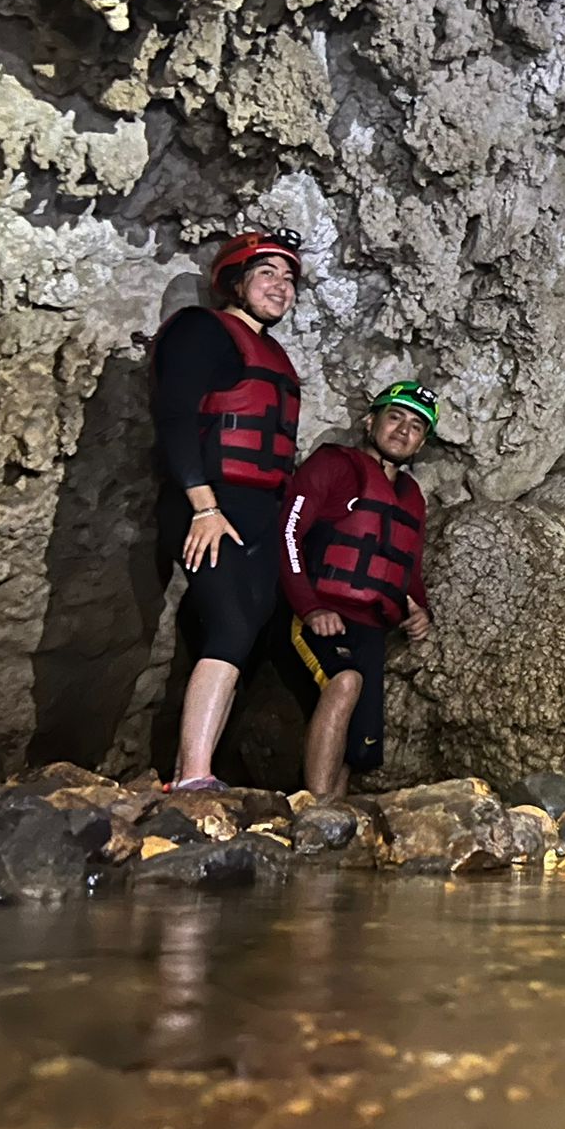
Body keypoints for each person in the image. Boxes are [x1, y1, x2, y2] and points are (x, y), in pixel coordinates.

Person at [151, 229, 304, 792]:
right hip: (211, 502)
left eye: (289, 279)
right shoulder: (203, 330)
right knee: (231, 624)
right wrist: (202, 506)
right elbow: (175, 419)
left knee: (245, 634)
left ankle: (190, 768)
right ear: (235, 280)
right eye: (268, 273)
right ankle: (194, 777)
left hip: (260, 507)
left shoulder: (276, 356)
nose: (282, 286)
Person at [279, 381, 438, 799]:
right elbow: (288, 532)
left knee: (360, 739)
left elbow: (407, 566)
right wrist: (310, 607)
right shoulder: (334, 465)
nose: (404, 431)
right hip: (317, 611)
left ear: (421, 443)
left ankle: (332, 825)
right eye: (395, 417)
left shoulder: (412, 497)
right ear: (371, 422)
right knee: (344, 681)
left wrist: (417, 608)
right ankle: (314, 810)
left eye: (417, 426)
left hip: (371, 627)